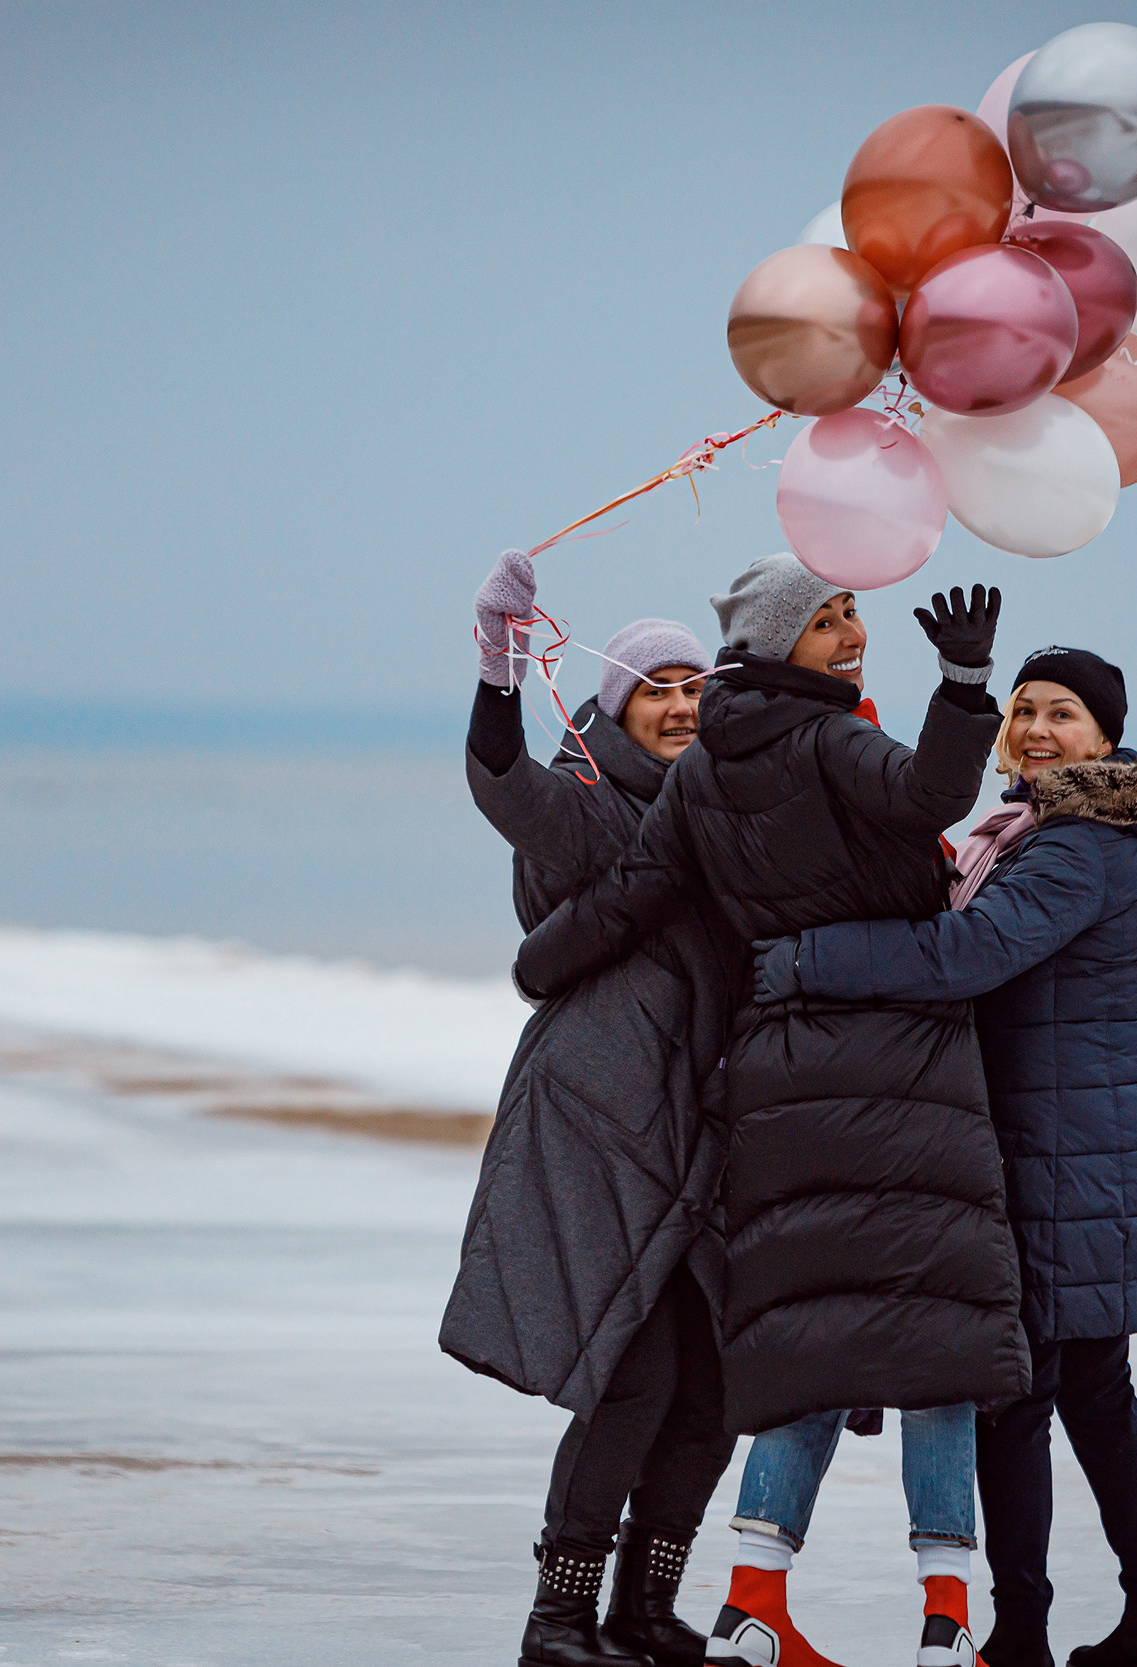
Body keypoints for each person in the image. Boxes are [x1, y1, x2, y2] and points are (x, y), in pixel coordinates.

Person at [515, 556, 1031, 1667]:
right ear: (776, 639)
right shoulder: (826, 736)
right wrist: (964, 680)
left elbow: (642, 883)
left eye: (851, 614)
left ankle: (711, 1601)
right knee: (920, 1332)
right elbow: (932, 796)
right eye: (830, 618)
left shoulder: (707, 766)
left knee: (771, 1346)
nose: (851, 633)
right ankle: (943, 1615)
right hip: (894, 1061)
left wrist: (539, 963)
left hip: (774, 1073)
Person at [746, 648, 1137, 1667]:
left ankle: (1040, 1629)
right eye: (1024, 708)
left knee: (1034, 1394)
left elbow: (964, 955)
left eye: (1063, 713)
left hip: (1066, 1159)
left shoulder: (1076, 847)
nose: (1036, 727)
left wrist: (806, 961)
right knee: (1086, 1394)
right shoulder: (1045, 833)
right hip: (1078, 1151)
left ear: (1105, 739)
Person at [443, 549, 743, 1667]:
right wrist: (496, 666)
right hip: (604, 1122)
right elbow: (497, 778)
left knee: (712, 1387)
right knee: (637, 1376)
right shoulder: (587, 801)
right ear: (617, 705)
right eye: (657, 689)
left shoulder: (729, 811)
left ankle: (643, 1609)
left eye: (695, 687)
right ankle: (557, 1619)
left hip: (706, 1132)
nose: (680, 706)